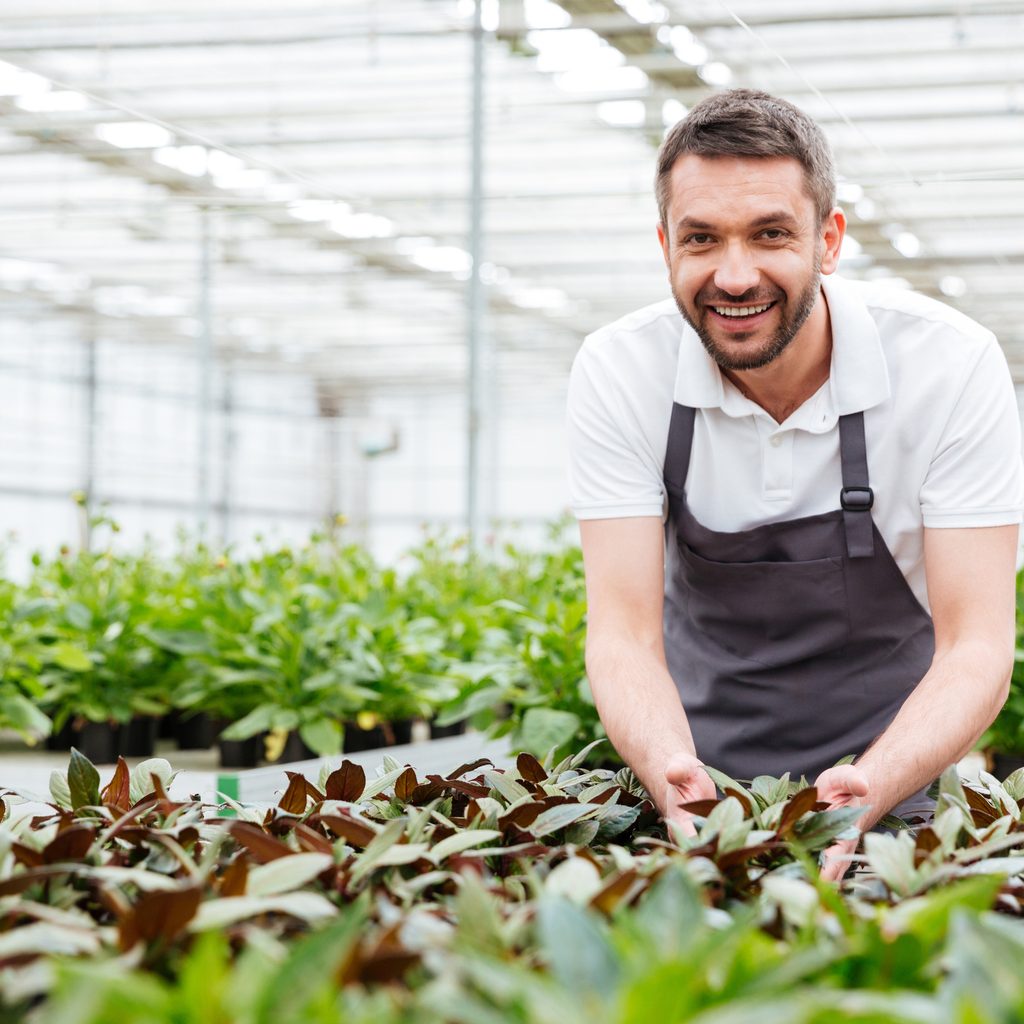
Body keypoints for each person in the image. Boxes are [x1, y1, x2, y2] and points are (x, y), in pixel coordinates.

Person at [566, 88, 1023, 880]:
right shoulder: (620, 370)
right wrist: (673, 774)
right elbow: (623, 635)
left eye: (770, 234)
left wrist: (871, 786)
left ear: (829, 241)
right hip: (703, 802)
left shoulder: (948, 364)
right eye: (701, 238)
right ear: (665, 245)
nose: (734, 275)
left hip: (905, 790)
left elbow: (977, 643)